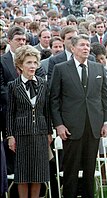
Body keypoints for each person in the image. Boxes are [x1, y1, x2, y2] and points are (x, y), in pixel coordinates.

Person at [50, 34, 107, 197]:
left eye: (87, 45)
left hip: (93, 127)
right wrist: (59, 124)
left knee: (90, 170)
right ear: (72, 48)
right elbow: (54, 99)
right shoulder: (61, 69)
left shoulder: (98, 68)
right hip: (71, 128)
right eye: (82, 45)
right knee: (71, 171)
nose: (86, 48)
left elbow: (105, 97)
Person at [6, 45, 52, 198]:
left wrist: (49, 132)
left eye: (34, 62)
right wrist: (10, 136)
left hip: (40, 133)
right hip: (21, 135)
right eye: (28, 63)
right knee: (23, 175)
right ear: (20, 65)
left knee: (38, 175)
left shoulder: (43, 84)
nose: (32, 66)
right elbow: (10, 113)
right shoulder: (13, 86)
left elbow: (47, 110)